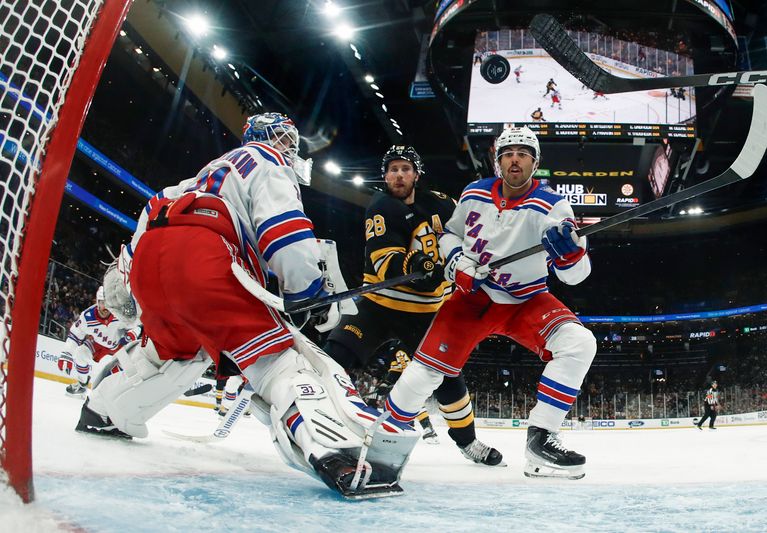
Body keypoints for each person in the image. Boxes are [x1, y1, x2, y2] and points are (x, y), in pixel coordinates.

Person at [77, 113, 418, 499]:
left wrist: (126, 287)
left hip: (150, 265)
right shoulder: (265, 161)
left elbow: (144, 230)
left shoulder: (201, 175)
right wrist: (306, 290)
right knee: (281, 359)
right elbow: (284, 230)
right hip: (205, 257)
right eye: (288, 140)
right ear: (276, 138)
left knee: (171, 352)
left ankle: (103, 411)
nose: (291, 148)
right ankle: (339, 453)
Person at [385, 126, 597, 480]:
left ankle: (541, 439)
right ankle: (384, 438)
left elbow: (575, 276)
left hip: (525, 300)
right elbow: (450, 235)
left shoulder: (554, 206)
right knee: (424, 372)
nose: (515, 158)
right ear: (498, 160)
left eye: (523, 153)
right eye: (508, 152)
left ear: (535, 161)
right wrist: (458, 265)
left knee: (579, 343)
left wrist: (570, 255)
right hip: (472, 299)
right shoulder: (474, 193)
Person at [323, 145, 504, 465]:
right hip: (378, 305)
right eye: (393, 169)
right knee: (336, 356)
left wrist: (483, 252)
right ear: (385, 175)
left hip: (426, 313)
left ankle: (468, 442)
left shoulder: (442, 204)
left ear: (416, 174)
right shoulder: (379, 207)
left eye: (405, 169)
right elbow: (386, 266)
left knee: (449, 376)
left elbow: (472, 233)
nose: (399, 175)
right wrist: (420, 267)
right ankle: (324, 424)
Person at [57, 287, 138, 397]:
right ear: (97, 302)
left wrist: (132, 334)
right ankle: (82, 384)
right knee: (81, 353)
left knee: (127, 370)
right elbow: (75, 335)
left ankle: (117, 393)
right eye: (102, 303)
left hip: (118, 345)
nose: (106, 307)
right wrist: (67, 353)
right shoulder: (87, 317)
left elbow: (136, 326)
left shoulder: (120, 313)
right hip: (98, 344)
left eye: (108, 303)